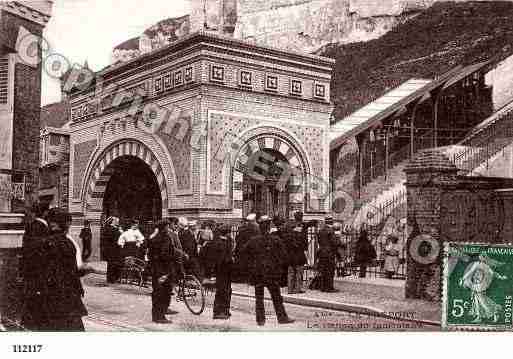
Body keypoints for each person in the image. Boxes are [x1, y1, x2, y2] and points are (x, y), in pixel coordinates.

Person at [39, 208, 90, 331]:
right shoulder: (68, 243)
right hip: (68, 295)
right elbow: (74, 270)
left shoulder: (46, 242)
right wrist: (86, 270)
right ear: (66, 224)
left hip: (51, 294)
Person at [240, 215, 294, 326]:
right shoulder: (275, 240)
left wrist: (252, 265)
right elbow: (284, 257)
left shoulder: (253, 241)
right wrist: (278, 266)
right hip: (271, 273)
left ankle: (260, 320)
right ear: (269, 227)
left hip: (258, 273)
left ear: (260, 227)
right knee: (276, 297)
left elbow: (243, 253)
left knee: (259, 298)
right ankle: (282, 318)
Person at [21, 203, 50, 330]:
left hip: (30, 267)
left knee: (31, 293)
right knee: (39, 295)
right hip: (39, 268)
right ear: (45, 213)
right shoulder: (42, 226)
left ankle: (28, 320)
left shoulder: (31, 225)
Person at [148, 220, 178, 324]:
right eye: (167, 226)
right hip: (164, 269)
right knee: (163, 292)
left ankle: (157, 315)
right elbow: (165, 254)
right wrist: (173, 257)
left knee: (158, 293)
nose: (168, 228)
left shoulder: (153, 238)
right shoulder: (165, 238)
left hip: (156, 269)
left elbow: (150, 255)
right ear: (164, 227)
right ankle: (159, 316)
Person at [202, 224, 234, 319]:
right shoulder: (219, 243)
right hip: (222, 271)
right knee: (222, 291)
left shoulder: (225, 241)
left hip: (226, 271)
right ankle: (218, 312)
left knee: (227, 291)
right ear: (227, 233)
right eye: (229, 232)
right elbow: (220, 259)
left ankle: (225, 310)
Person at [233, 213, 260, 283]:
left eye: (248, 221)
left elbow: (238, 239)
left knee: (247, 264)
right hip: (250, 249)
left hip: (246, 249)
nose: (247, 223)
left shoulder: (246, 229)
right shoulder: (257, 228)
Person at [286, 211, 308, 294]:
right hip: (298, 252)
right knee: (299, 271)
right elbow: (303, 240)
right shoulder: (301, 227)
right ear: (301, 217)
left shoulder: (289, 226)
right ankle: (297, 288)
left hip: (290, 252)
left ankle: (290, 289)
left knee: (291, 271)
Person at [317, 216, 340, 293]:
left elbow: (319, 241)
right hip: (329, 253)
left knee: (323, 270)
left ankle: (323, 287)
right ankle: (329, 287)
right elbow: (334, 243)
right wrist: (338, 240)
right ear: (331, 222)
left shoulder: (320, 231)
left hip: (321, 252)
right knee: (330, 270)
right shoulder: (331, 231)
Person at [102, 217, 123, 284]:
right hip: (111, 249)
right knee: (111, 264)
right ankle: (111, 279)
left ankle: (112, 278)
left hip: (114, 249)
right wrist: (119, 231)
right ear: (113, 221)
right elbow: (113, 237)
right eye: (117, 221)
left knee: (113, 264)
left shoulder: (114, 228)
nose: (118, 222)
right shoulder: (110, 228)